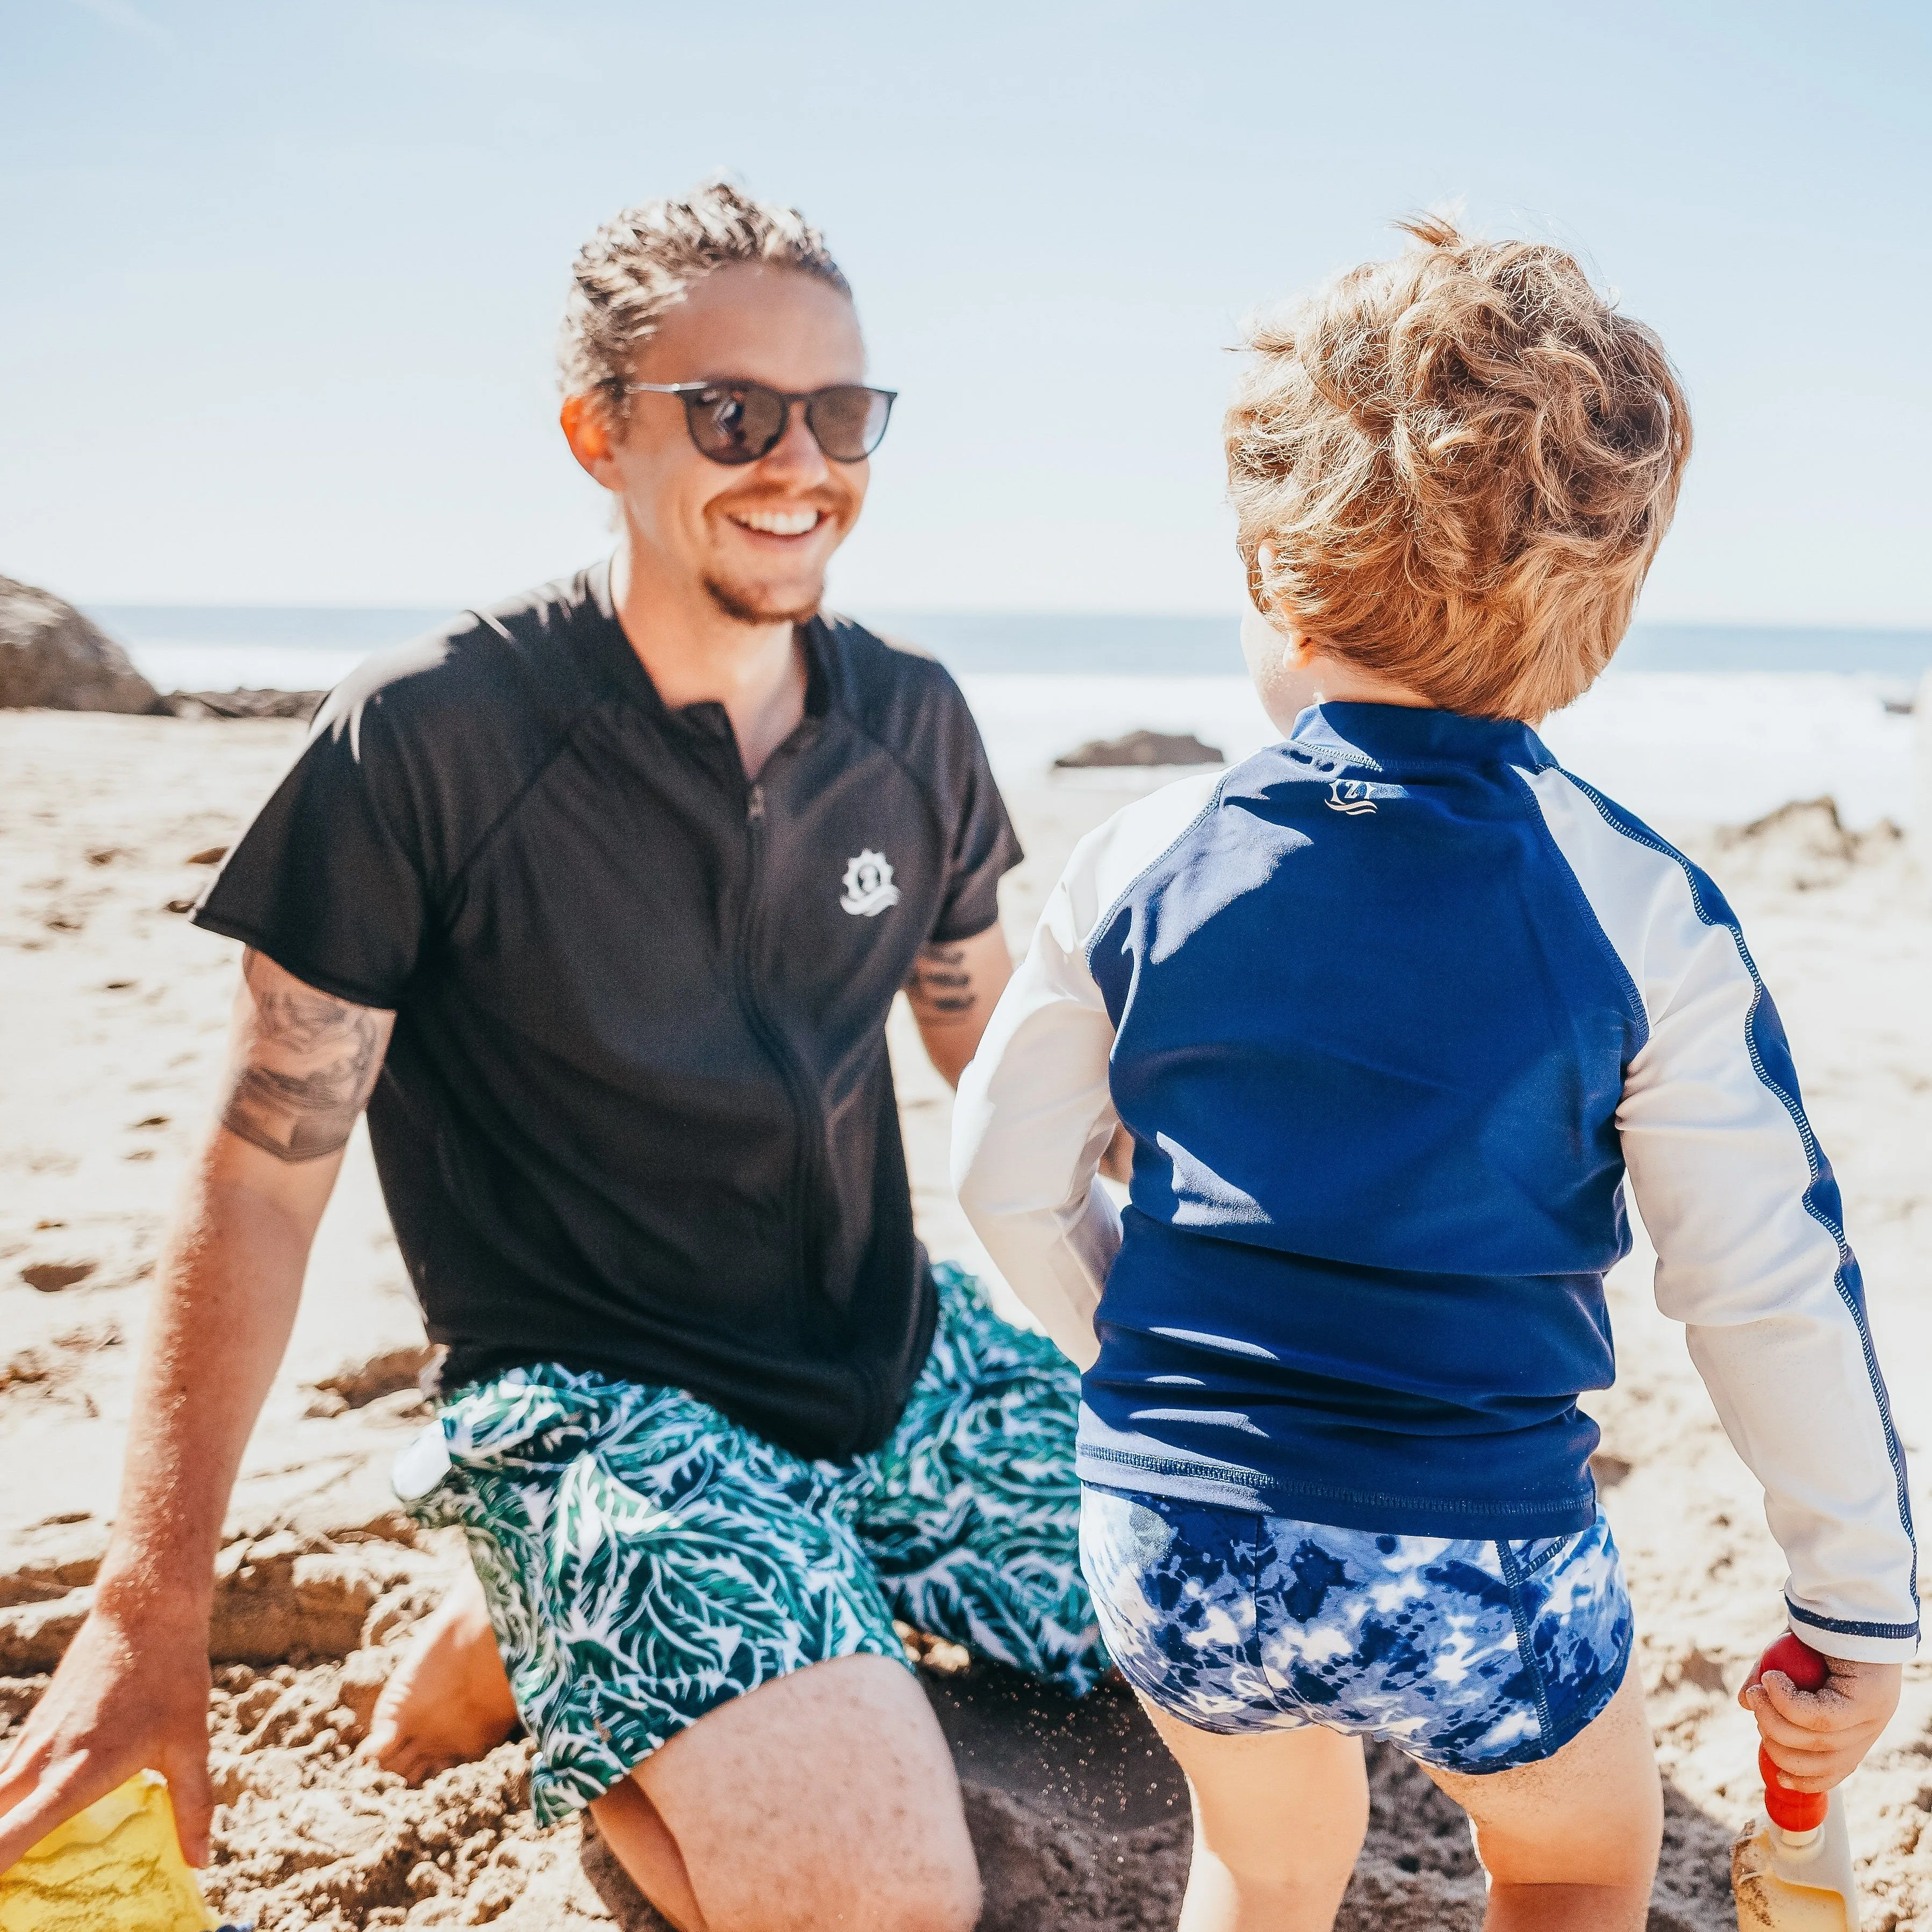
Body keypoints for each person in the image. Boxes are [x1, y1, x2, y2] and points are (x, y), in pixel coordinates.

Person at [0, 181, 1105, 1932]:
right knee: (882, 1900)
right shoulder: (428, 736)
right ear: (601, 433)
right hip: (595, 1401)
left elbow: (1006, 1076)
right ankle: (573, 1606)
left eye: (842, 413)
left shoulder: (914, 723)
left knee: (1244, 1638)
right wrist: (149, 1621)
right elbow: (259, 1177)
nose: (798, 464)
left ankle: (553, 1634)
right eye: (733, 414)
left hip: (887, 1357)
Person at [952, 216, 1916, 1930]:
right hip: (1471, 1550)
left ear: (1272, 571)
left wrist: (1131, 1344)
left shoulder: (1140, 862)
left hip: (1175, 1538)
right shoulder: (1639, 911)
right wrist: (1854, 1602)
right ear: (1599, 623)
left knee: (1263, 1849)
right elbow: (1764, 1277)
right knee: (1574, 1854)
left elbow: (1004, 1183)